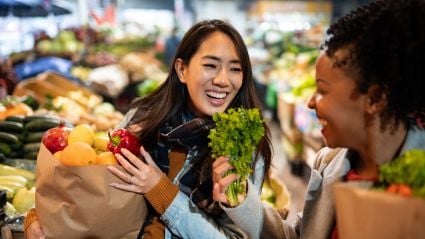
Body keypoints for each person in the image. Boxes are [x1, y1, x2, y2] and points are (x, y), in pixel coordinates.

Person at [24, 19, 273, 239]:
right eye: (211, 65)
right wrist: (37, 215)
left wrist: (160, 190)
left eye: (235, 69)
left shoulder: (244, 147)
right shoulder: (143, 118)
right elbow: (92, 180)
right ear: (182, 70)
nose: (223, 80)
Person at [212, 1, 425, 239]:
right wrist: (242, 200)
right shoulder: (328, 164)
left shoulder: (418, 178)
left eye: (322, 90)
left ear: (374, 98)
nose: (310, 102)